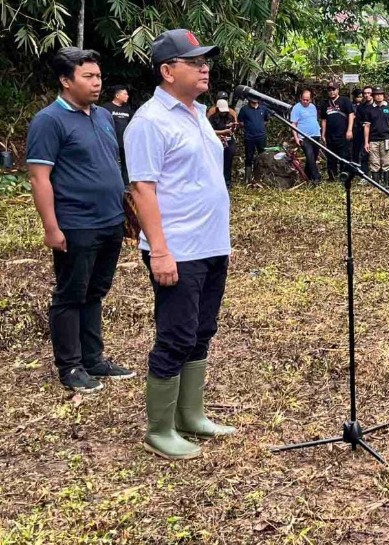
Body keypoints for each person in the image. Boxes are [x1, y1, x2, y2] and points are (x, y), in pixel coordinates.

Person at [124, 29, 235, 461]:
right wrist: (161, 250)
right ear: (167, 71)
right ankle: (160, 429)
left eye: (205, 60)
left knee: (203, 330)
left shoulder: (196, 114)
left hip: (210, 246)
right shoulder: (150, 122)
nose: (204, 66)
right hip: (178, 249)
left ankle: (191, 415)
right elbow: (143, 190)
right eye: (193, 61)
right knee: (176, 334)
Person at [26, 47, 134, 394]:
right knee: (71, 294)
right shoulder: (49, 121)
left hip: (110, 220)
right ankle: (69, 365)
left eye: (98, 76)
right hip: (76, 223)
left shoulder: (102, 116)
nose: (96, 82)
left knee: (96, 291)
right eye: (88, 76)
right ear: (64, 80)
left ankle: (94, 358)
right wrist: (51, 227)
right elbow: (40, 178)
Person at [319, 82, 355, 183]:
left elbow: (351, 115)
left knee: (344, 156)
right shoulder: (325, 104)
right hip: (330, 135)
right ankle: (332, 176)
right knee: (331, 157)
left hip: (343, 134)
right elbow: (324, 120)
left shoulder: (345, 101)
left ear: (338, 90)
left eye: (333, 89)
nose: (331, 92)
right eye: (329, 90)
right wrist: (323, 134)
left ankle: (345, 176)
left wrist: (349, 130)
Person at [363, 87, 389, 188]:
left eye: (380, 94)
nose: (378, 96)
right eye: (376, 94)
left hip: (386, 139)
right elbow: (367, 126)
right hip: (373, 140)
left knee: (386, 162)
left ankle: (387, 185)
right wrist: (366, 142)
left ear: (384, 95)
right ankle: (376, 185)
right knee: (374, 162)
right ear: (373, 96)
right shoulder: (369, 109)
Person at [101, 84, 133, 185]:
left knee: (126, 164)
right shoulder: (106, 108)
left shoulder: (127, 109)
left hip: (125, 143)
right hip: (111, 142)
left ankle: (126, 185)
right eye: (125, 94)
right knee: (111, 164)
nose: (127, 96)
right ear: (117, 95)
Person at [236, 95, 270, 185]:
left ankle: (261, 177)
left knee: (262, 156)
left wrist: (260, 127)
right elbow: (240, 121)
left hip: (261, 136)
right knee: (249, 157)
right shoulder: (244, 109)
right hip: (249, 137)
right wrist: (249, 127)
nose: (254, 102)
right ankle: (247, 179)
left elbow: (266, 120)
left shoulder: (263, 108)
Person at [206, 91, 237, 188]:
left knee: (228, 162)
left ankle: (227, 182)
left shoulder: (231, 114)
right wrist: (222, 132)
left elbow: (234, 127)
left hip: (228, 141)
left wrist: (233, 128)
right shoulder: (212, 114)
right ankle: (216, 182)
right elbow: (208, 131)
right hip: (216, 141)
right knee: (216, 163)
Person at [290, 89, 322, 185]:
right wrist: (296, 138)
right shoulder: (296, 108)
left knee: (314, 156)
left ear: (311, 99)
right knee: (310, 155)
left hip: (315, 135)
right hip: (304, 137)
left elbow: (313, 120)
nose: (305, 101)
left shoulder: (313, 107)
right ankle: (316, 178)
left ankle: (307, 175)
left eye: (307, 100)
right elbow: (293, 124)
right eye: (303, 99)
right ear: (300, 98)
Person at [354, 86, 374, 173]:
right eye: (365, 93)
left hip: (376, 133)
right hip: (363, 133)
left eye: (369, 93)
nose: (367, 95)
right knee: (364, 154)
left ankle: (377, 175)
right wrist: (363, 125)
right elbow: (358, 119)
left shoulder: (377, 106)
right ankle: (364, 173)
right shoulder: (361, 107)